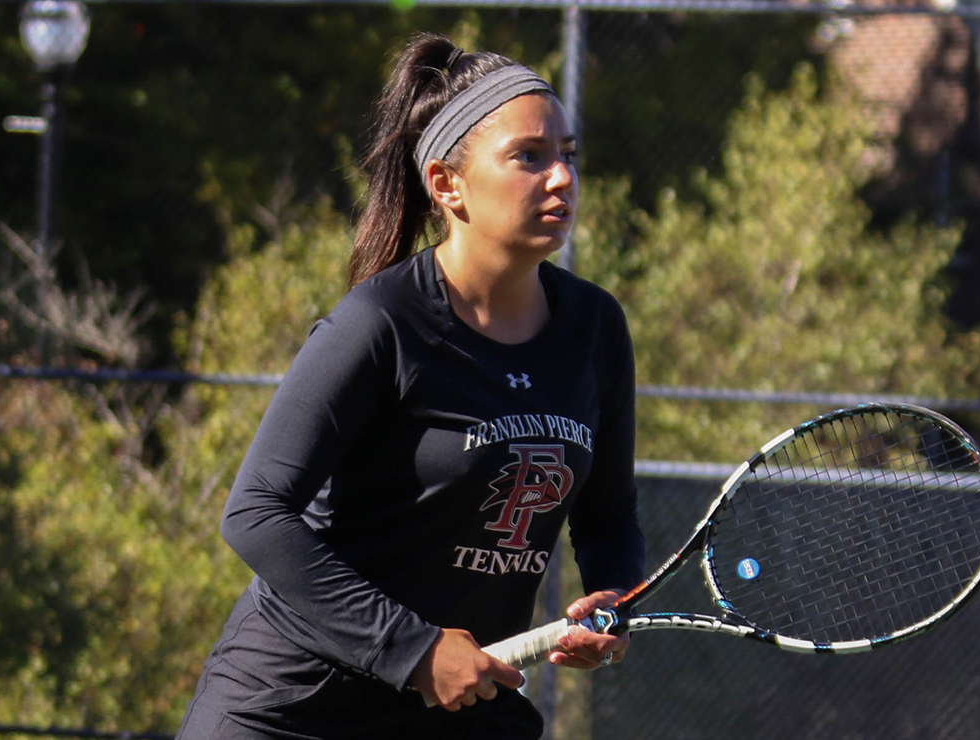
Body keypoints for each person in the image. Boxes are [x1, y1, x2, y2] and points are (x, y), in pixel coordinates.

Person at [175, 33, 647, 740]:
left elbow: (608, 518)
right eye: (529, 157)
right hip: (294, 707)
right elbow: (256, 513)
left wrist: (612, 604)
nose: (560, 178)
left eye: (567, 156)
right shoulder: (379, 322)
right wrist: (414, 649)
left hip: (461, 708)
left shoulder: (596, 327)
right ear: (446, 184)